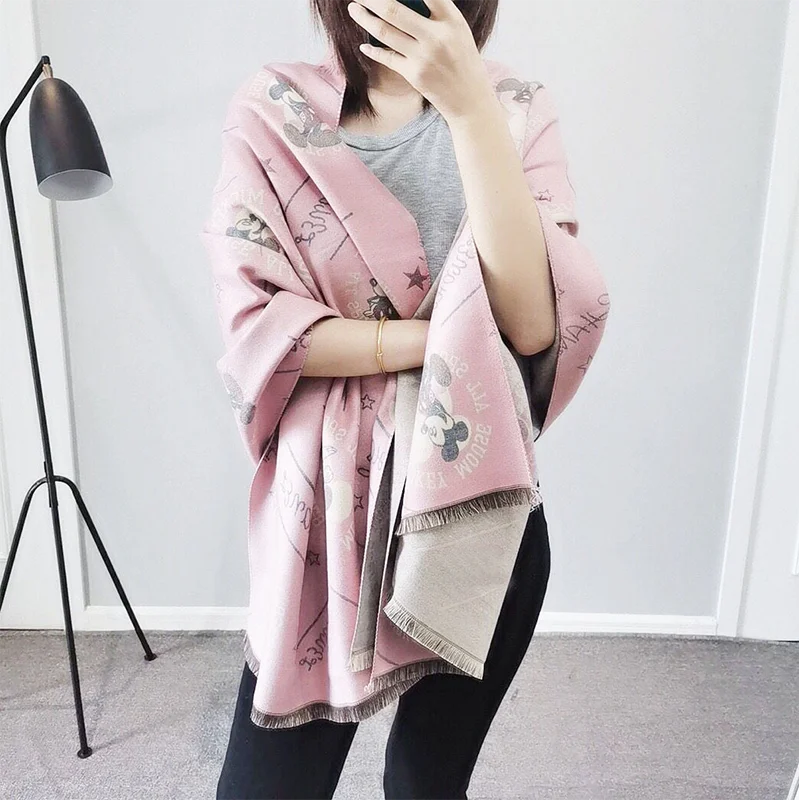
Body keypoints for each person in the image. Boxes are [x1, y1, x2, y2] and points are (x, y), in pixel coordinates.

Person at [210, 0, 599, 797]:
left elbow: (533, 325)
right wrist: (446, 340)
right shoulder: (274, 110)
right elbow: (260, 328)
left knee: (427, 784)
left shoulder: (514, 110)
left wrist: (469, 109)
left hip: (479, 518)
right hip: (325, 524)